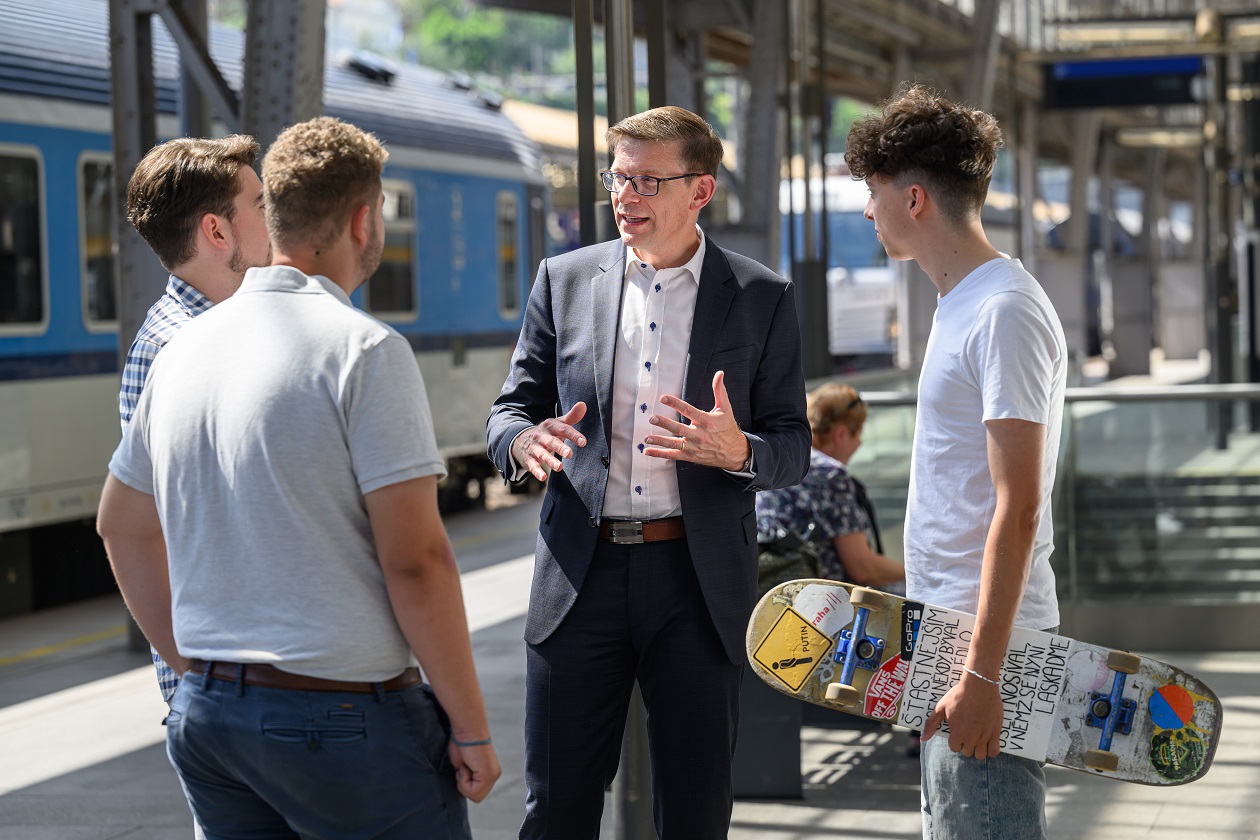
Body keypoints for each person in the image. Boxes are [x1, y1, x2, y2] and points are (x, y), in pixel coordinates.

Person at [98, 116, 500, 838]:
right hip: (345, 721)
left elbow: (120, 524)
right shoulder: (365, 350)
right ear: (363, 219)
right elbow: (416, 562)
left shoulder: (182, 350)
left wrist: (197, 670)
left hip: (213, 721)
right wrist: (470, 726)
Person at [486, 105, 811, 838]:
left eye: (646, 181)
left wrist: (741, 452)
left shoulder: (762, 298)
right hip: (580, 574)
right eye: (618, 178)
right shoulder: (563, 280)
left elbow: (794, 444)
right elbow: (508, 411)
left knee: (695, 812)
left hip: (694, 583)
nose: (625, 197)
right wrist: (523, 442)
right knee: (557, 806)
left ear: (701, 191)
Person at [845, 85, 1067, 839]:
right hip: (945, 640)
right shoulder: (961, 304)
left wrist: (982, 675)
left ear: (913, 199)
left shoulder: (1003, 309)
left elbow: (1020, 504)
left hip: (985, 653)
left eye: (871, 194)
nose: (865, 211)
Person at [120, 134, 272, 711]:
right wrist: (200, 677)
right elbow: (144, 526)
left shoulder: (221, 333)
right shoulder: (175, 347)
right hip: (227, 688)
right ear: (217, 231)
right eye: (260, 204)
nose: (273, 216)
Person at [756, 381, 905, 588]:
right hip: (826, 608)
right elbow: (862, 568)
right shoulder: (830, 474)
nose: (860, 443)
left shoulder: (784, 459)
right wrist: (913, 573)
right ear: (840, 434)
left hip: (777, 597)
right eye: (858, 434)